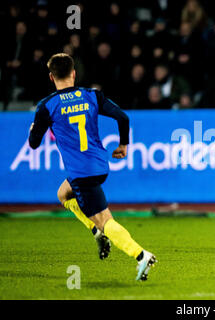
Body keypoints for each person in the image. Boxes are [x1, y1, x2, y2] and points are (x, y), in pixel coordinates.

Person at [28, 53, 157, 280]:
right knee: (63, 194)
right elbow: (123, 117)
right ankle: (96, 231)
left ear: (51, 77)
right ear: (74, 73)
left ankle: (141, 255)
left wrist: (33, 129)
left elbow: (34, 143)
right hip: (99, 165)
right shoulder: (91, 96)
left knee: (107, 221)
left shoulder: (47, 106)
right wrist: (123, 145)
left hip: (81, 173)